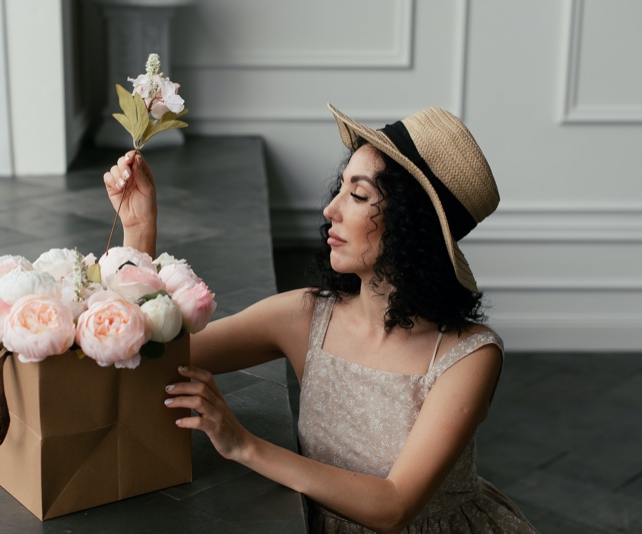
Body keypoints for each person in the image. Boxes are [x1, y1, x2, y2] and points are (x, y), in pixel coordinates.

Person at [104, 104, 538, 533]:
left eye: (359, 195)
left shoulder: (468, 356)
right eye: (341, 187)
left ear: (413, 225)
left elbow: (394, 506)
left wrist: (244, 445)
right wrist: (139, 233)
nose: (331, 209)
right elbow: (155, 354)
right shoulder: (305, 315)